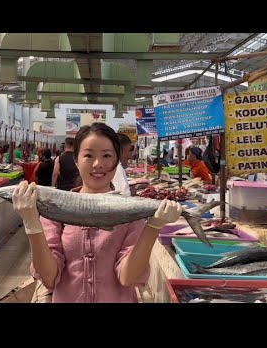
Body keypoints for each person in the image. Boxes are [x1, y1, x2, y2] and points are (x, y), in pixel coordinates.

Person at [12, 122, 182, 303]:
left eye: (107, 155)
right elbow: (49, 277)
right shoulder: (55, 210)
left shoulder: (129, 211)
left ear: (117, 161)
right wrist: (32, 225)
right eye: (88, 155)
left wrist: (153, 227)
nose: (98, 164)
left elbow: (128, 278)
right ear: (76, 160)